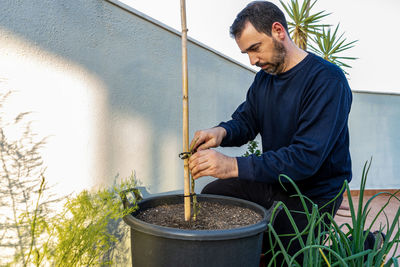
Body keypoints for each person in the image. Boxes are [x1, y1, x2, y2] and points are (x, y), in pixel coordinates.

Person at [188, 1, 352, 265]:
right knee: (213, 196)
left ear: (278, 31)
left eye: (255, 48)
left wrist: (231, 165)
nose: (253, 61)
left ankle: (357, 245)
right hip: (274, 181)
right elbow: (246, 121)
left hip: (310, 193)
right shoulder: (265, 79)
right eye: (247, 54)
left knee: (285, 255)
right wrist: (221, 132)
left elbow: (305, 158)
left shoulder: (327, 81)